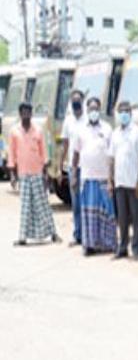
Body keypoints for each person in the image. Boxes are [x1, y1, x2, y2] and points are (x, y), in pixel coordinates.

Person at [9, 102, 60, 246]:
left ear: (31, 114)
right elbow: (12, 154)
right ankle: (22, 237)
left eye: (29, 112)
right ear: (20, 114)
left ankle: (53, 233)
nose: (26, 115)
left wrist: (46, 174)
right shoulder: (15, 132)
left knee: (42, 204)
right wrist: (12, 175)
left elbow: (44, 152)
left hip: (37, 172)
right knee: (26, 206)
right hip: (23, 174)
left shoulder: (38, 130)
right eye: (24, 112)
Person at [72, 97, 116, 256]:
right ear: (87, 111)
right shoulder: (81, 130)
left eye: (96, 109)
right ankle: (89, 245)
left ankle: (108, 243)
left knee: (106, 210)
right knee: (89, 212)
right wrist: (74, 176)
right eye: (91, 109)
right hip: (87, 177)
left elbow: (112, 155)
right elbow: (76, 154)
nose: (93, 112)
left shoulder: (107, 128)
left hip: (104, 177)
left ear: (100, 110)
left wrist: (112, 177)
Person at [109, 101, 138, 260]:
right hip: (119, 182)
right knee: (122, 218)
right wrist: (110, 180)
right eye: (121, 111)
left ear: (131, 113)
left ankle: (137, 248)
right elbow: (111, 158)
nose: (124, 114)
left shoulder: (137, 132)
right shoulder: (115, 133)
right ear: (118, 114)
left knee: (137, 217)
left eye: (126, 111)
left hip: (134, 182)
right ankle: (122, 247)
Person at [60, 89, 86, 247]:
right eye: (74, 101)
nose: (76, 103)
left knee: (88, 202)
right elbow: (65, 145)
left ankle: (89, 235)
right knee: (76, 203)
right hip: (74, 168)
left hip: (89, 167)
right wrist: (60, 165)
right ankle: (78, 235)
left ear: (82, 101)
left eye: (78, 100)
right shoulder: (68, 121)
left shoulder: (88, 118)